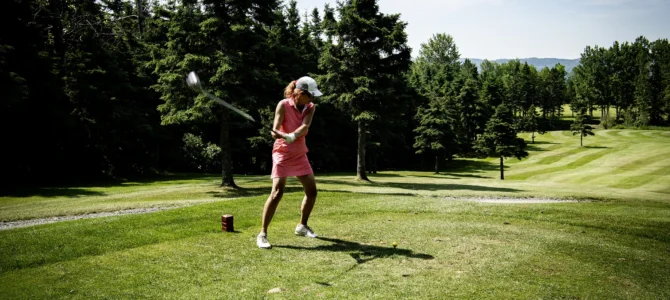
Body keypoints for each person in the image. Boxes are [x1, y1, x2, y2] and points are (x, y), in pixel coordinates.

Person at [257, 76, 323, 249]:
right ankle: (262, 234)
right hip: (282, 152)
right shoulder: (283, 105)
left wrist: (293, 135)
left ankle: (302, 226)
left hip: (299, 152)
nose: (313, 98)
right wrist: (280, 134)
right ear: (300, 93)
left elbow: (305, 127)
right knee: (277, 193)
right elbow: (274, 130)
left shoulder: (310, 107)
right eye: (311, 95)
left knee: (312, 191)